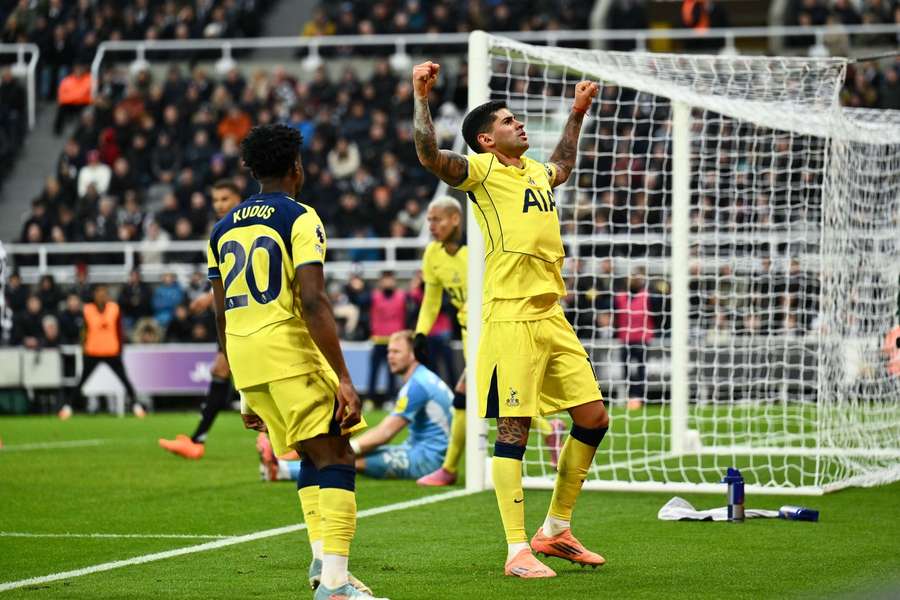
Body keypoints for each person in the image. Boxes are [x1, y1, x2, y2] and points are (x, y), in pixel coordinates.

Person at [413, 61, 609, 578]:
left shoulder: (537, 172)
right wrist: (421, 97)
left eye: (518, 118)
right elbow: (430, 156)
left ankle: (556, 530)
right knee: (514, 430)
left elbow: (562, 165)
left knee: (593, 418)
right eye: (507, 120)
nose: (518, 124)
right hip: (510, 318)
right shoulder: (483, 172)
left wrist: (576, 114)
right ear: (486, 138)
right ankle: (516, 548)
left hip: (552, 314)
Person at [206, 124, 384, 600]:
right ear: (295, 168)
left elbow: (221, 311)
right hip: (286, 350)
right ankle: (335, 585)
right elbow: (313, 300)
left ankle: (322, 561)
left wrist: (243, 386)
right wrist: (344, 377)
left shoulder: (222, 228)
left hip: (246, 356)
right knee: (338, 455)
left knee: (309, 451)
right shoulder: (301, 217)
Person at [414, 197, 564, 487]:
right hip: (470, 335)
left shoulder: (480, 247)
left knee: (469, 398)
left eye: (437, 219)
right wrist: (420, 332)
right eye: (429, 220)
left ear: (456, 219)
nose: (431, 226)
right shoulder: (432, 254)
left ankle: (449, 468)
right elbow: (432, 299)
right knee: (485, 398)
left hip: (494, 329)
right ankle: (549, 429)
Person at [159, 180, 243, 460]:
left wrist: (208, 299)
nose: (219, 204)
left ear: (238, 198)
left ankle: (291, 442)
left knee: (255, 377)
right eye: (215, 199)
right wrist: (210, 297)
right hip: (234, 314)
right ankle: (198, 439)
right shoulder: (221, 231)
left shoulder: (244, 227)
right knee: (223, 371)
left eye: (225, 198)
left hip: (251, 313)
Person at [351, 330, 452, 479]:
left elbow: (385, 434)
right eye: (389, 351)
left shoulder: (417, 386)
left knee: (343, 459)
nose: (390, 356)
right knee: (355, 453)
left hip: (428, 461)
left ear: (412, 355)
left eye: (396, 352)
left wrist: (345, 449)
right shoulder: (425, 377)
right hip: (428, 453)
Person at [61, 283, 145, 419]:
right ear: (94, 295)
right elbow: (83, 331)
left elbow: (119, 330)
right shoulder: (87, 310)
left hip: (111, 352)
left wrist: (120, 348)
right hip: (92, 352)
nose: (101, 296)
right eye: (99, 293)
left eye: (104, 293)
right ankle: (68, 407)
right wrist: (83, 348)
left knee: (124, 380)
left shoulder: (114, 309)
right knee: (82, 381)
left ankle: (136, 406)